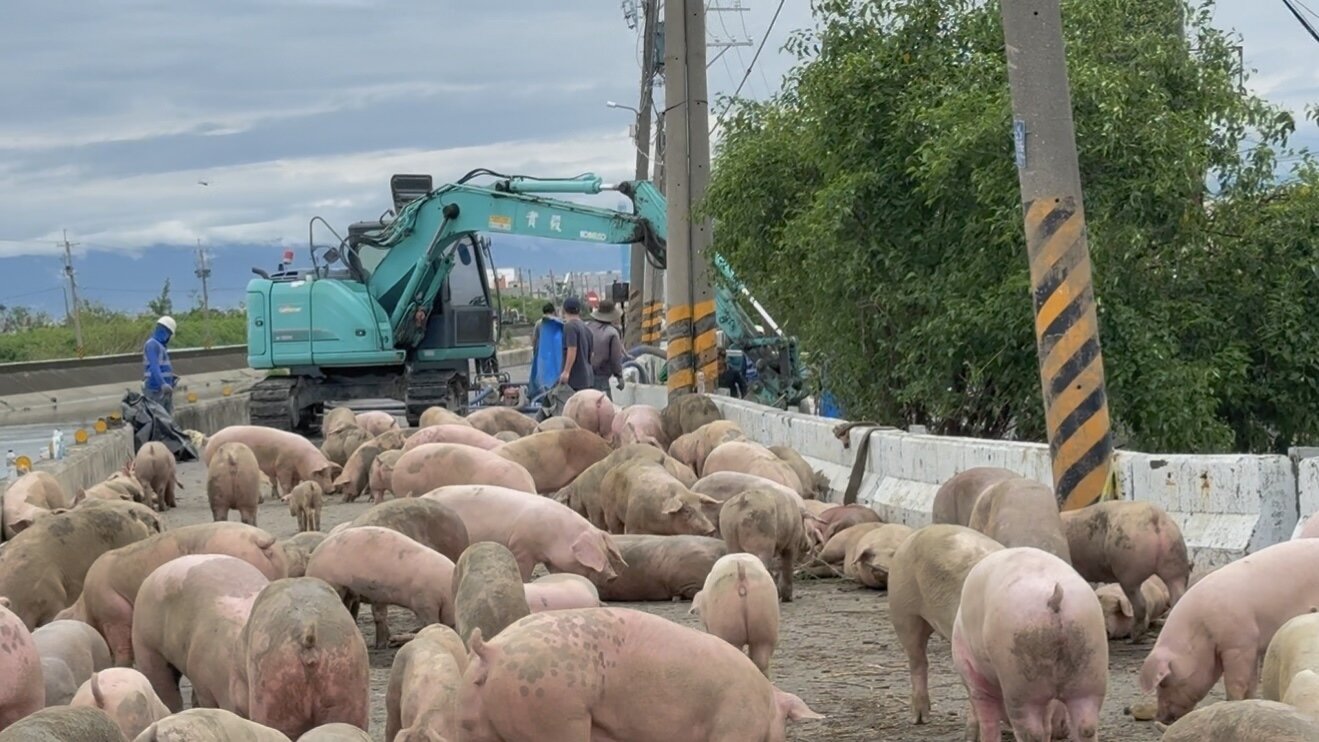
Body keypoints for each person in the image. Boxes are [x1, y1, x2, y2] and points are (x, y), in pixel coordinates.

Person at [586, 299, 626, 397]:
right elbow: (615, 358)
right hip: (601, 375)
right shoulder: (611, 333)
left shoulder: (587, 327)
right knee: (604, 407)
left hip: (585, 375)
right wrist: (619, 376)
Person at [142, 315, 178, 414]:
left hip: (162, 391)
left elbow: (161, 367)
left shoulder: (160, 346)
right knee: (159, 420)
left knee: (166, 420)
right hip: (155, 391)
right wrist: (163, 384)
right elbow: (154, 368)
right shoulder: (152, 344)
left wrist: (170, 378)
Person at [558, 297, 594, 392]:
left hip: (575, 379)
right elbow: (592, 355)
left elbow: (572, 349)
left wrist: (566, 372)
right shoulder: (586, 328)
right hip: (587, 377)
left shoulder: (570, 326)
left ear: (564, 309)